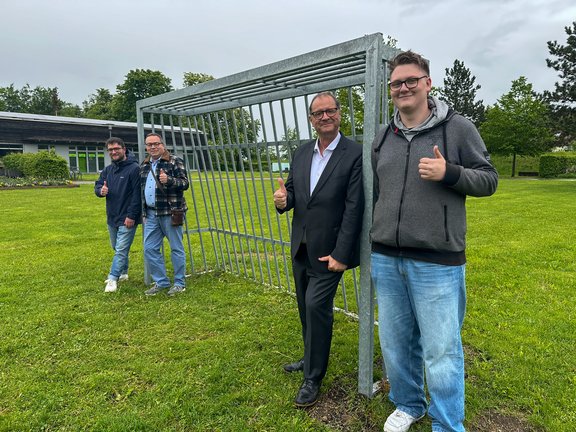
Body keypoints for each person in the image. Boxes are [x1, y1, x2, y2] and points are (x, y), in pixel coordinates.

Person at [370, 51, 498, 432]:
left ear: (428, 83)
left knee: (441, 351)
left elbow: (489, 180)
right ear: (390, 89)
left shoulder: (458, 129)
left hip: (438, 262)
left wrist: (450, 172)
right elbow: (379, 192)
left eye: (411, 80)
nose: (403, 87)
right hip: (386, 258)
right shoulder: (382, 136)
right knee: (394, 343)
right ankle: (409, 404)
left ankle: (446, 423)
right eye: (396, 83)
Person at [273, 91, 364, 408]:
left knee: (316, 307)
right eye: (318, 113)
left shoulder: (354, 154)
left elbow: (355, 208)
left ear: (340, 114)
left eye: (330, 111)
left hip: (330, 252)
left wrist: (342, 253)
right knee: (304, 308)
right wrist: (284, 202)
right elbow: (294, 191)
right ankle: (309, 357)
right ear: (311, 119)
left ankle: (312, 378)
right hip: (301, 246)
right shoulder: (301, 153)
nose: (325, 117)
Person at [140, 132, 189, 296]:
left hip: (170, 212)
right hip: (152, 214)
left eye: (156, 144)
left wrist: (169, 180)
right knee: (149, 248)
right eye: (149, 144)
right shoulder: (145, 164)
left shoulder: (175, 161)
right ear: (146, 147)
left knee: (176, 248)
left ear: (163, 145)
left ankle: (179, 283)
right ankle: (161, 282)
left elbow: (185, 183)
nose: (153, 147)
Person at [94, 137, 141, 293]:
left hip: (127, 217)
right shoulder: (108, 170)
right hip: (112, 216)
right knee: (117, 247)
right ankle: (124, 273)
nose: (113, 152)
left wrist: (132, 216)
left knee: (121, 249)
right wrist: (101, 191)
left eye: (116, 149)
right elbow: (98, 185)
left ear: (124, 148)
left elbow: (137, 195)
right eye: (110, 150)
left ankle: (113, 279)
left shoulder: (134, 168)